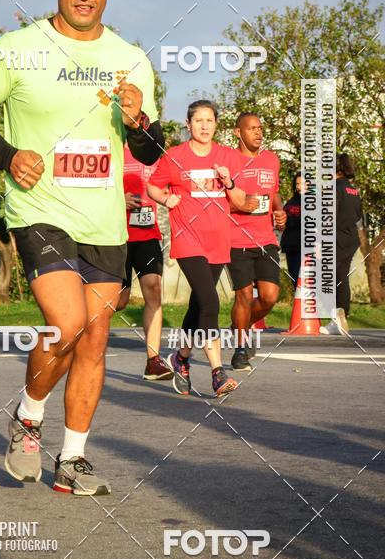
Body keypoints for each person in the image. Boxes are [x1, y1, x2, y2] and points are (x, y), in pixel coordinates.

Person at [0, 0, 163, 495]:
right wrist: (5, 156)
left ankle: (72, 460)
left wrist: (138, 119)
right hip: (39, 209)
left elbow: (148, 150)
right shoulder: (18, 49)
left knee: (93, 341)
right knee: (65, 324)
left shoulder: (131, 59)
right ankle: (28, 418)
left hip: (105, 222)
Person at [147, 100, 246, 397]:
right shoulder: (175, 156)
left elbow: (240, 201)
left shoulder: (228, 156)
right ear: (188, 125)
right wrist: (165, 199)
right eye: (199, 120)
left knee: (198, 305)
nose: (204, 126)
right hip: (187, 238)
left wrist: (228, 182)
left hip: (218, 241)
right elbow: (153, 186)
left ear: (216, 125)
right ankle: (218, 372)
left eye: (209, 120)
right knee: (211, 302)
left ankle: (181, 358)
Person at [227, 114, 287, 371]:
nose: (258, 133)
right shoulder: (228, 160)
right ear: (238, 132)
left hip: (266, 240)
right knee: (243, 295)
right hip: (236, 239)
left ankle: (240, 324)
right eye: (252, 129)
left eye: (260, 128)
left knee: (270, 296)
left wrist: (279, 211)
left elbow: (274, 193)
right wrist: (240, 204)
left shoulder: (272, 159)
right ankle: (240, 350)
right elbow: (218, 200)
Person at [115, 145, 171, 382]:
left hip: (148, 235)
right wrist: (119, 200)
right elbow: (95, 190)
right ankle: (82, 330)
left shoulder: (153, 155)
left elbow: (168, 187)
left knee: (154, 289)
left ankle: (153, 361)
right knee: (118, 301)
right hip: (118, 237)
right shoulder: (113, 149)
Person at [320, 153, 364, 335]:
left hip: (335, 239)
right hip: (351, 239)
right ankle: (339, 318)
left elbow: (328, 217)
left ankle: (334, 317)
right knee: (341, 278)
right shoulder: (354, 190)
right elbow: (359, 215)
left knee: (325, 280)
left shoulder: (333, 189)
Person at [280, 173, 305, 289]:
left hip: (305, 248)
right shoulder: (291, 201)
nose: (299, 187)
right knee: (295, 281)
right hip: (290, 247)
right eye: (297, 184)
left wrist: (289, 221)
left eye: (302, 184)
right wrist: (281, 224)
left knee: (304, 283)